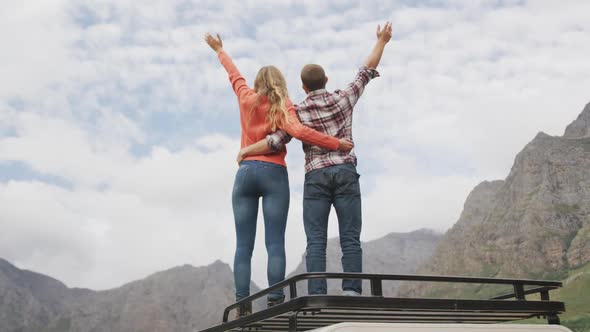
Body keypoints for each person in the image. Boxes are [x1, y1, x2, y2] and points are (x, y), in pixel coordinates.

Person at [238, 22, 393, 296]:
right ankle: (352, 291)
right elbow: (364, 72)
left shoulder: (296, 112)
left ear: (303, 86)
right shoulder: (344, 99)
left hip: (316, 179)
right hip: (345, 173)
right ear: (326, 80)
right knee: (350, 238)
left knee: (316, 241)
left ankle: (318, 293)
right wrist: (381, 41)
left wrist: (247, 151)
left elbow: (276, 140)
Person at [204, 33, 353, 314]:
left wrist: (219, 50)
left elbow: (234, 75)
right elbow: (299, 132)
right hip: (274, 173)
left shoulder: (246, 98)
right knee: (274, 243)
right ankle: (275, 302)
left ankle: (242, 305)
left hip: (246, 173)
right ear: (282, 84)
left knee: (243, 245)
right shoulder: (284, 106)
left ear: (258, 83)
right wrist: (336, 143)